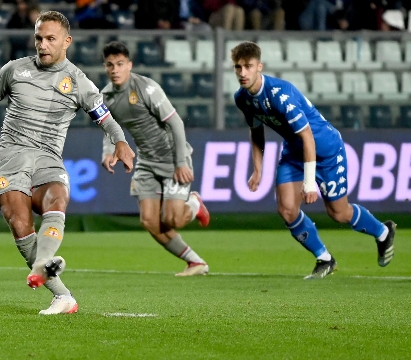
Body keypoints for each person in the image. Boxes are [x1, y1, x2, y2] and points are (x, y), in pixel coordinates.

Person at [0, 11, 135, 315]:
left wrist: (121, 142)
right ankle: (62, 295)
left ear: (66, 41)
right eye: (39, 38)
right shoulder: (14, 70)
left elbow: (106, 119)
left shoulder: (79, 82)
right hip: (11, 159)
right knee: (19, 222)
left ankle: (42, 267)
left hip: (48, 160)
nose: (43, 45)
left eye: (50, 39)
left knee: (57, 199)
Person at [230, 41, 396, 279]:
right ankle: (325, 259)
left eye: (248, 66)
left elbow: (308, 137)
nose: (243, 72)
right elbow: (256, 130)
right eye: (238, 67)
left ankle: (382, 232)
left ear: (259, 67)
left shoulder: (280, 94)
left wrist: (309, 184)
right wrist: (258, 169)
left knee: (338, 213)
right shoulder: (242, 98)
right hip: (294, 152)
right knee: (287, 209)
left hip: (325, 150)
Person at [100, 41, 211, 277]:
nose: (115, 70)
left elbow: (176, 123)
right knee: (150, 221)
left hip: (171, 158)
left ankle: (194, 203)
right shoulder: (106, 96)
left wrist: (181, 162)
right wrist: (108, 152)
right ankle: (195, 262)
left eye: (120, 64)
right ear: (105, 67)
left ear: (129, 65)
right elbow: (110, 127)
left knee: (173, 219)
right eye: (110, 65)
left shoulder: (146, 88)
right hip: (146, 162)